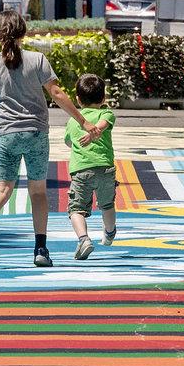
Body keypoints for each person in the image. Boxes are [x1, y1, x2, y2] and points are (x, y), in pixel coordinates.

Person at [0, 10, 100, 268]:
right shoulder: (37, 60)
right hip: (36, 133)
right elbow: (56, 93)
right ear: (24, 31)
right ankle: (40, 249)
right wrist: (83, 121)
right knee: (38, 192)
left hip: (6, 135)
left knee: (1, 190)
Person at [65, 73, 117, 260]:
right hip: (105, 169)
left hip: (81, 171)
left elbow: (69, 142)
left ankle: (84, 239)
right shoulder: (106, 113)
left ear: (78, 99)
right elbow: (105, 122)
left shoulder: (73, 121)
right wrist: (97, 131)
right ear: (103, 98)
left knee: (76, 209)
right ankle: (110, 232)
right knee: (107, 204)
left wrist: (89, 134)